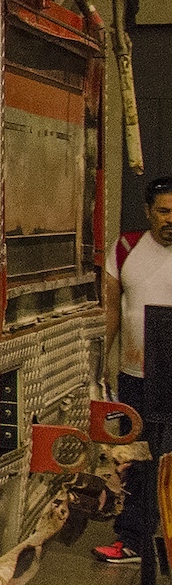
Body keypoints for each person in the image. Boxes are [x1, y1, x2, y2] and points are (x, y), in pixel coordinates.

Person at [96, 175, 172, 563]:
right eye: (164, 211)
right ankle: (133, 541)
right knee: (138, 462)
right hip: (135, 377)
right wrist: (100, 363)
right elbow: (111, 310)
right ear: (148, 212)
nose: (171, 219)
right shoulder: (126, 249)